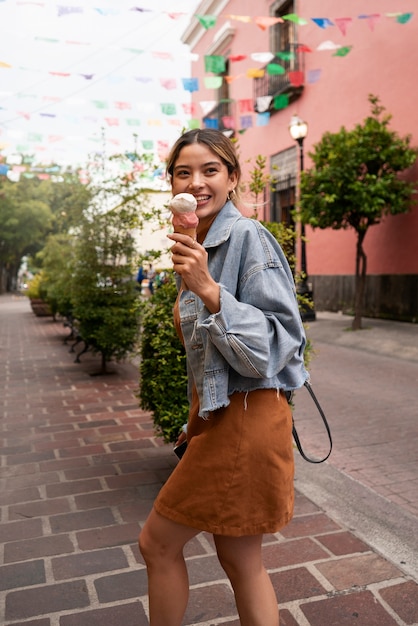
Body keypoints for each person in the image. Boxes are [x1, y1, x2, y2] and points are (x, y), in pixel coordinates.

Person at [138, 128, 309, 626]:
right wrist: (195, 422)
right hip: (223, 420)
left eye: (210, 170)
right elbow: (206, 359)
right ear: (172, 184)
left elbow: (280, 344)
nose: (197, 182)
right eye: (183, 172)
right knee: (240, 559)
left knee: (156, 543)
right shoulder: (195, 242)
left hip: (248, 422)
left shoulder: (248, 239)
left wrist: (211, 292)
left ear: (232, 178)